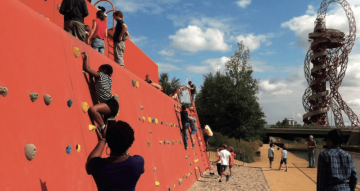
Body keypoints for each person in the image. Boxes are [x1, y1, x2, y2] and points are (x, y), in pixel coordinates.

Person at [86, 120, 144, 191]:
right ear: (130, 142)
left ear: (108, 141)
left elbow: (90, 161)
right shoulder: (138, 162)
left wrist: (103, 138)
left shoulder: (97, 166)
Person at [82, 52, 119, 132]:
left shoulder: (102, 75)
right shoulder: (109, 79)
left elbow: (87, 69)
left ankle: (103, 128)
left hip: (110, 103)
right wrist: (91, 78)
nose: (97, 71)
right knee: (108, 132)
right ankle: (104, 133)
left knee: (92, 110)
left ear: (103, 70)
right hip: (112, 104)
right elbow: (94, 86)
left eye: (99, 69)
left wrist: (87, 57)